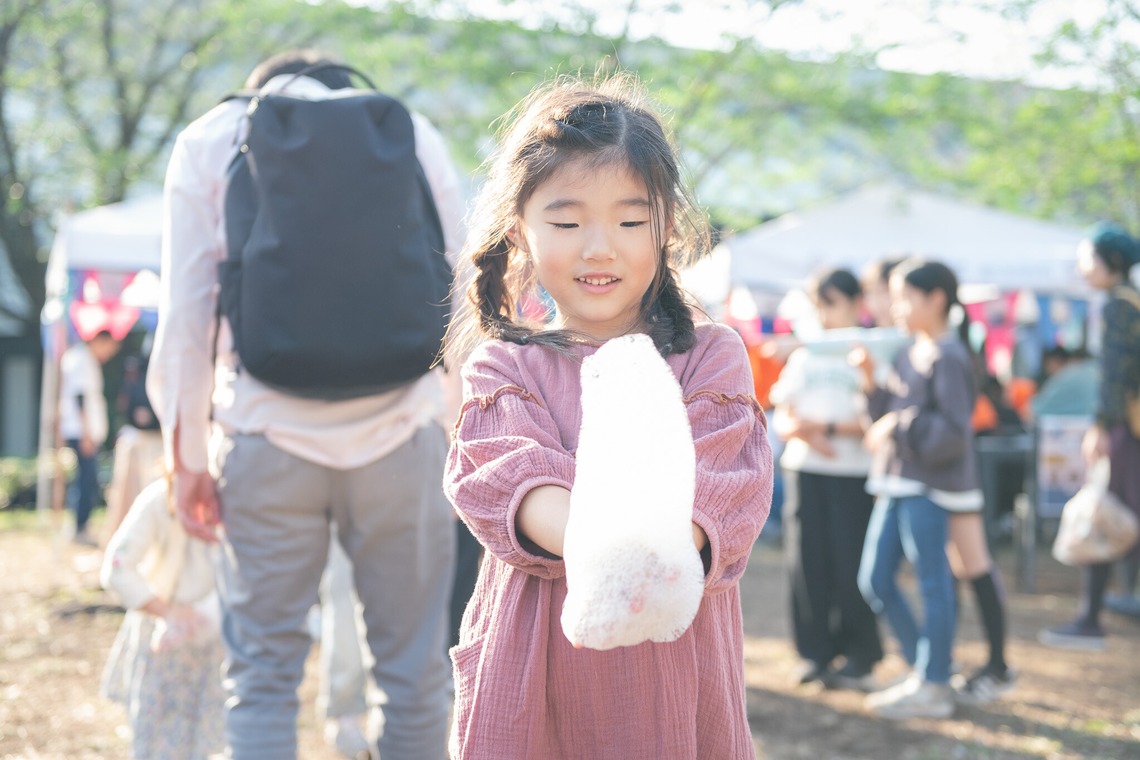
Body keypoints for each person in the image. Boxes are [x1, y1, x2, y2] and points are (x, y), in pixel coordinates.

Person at [147, 49, 466, 759]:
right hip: (403, 436)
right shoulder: (412, 132)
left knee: (262, 676)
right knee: (414, 678)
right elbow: (466, 292)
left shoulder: (211, 138)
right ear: (345, 87)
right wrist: (458, 433)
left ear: (260, 91)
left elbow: (186, 320)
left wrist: (187, 461)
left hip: (265, 440)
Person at [441, 74, 772, 758]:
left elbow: (718, 494)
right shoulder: (504, 369)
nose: (600, 247)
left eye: (629, 221)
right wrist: (616, 547)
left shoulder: (710, 360)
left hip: (670, 680)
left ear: (667, 227)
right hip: (534, 679)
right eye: (567, 223)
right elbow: (516, 483)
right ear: (520, 232)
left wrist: (650, 544)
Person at [863, 256, 1017, 705]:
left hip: (928, 486)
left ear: (935, 299)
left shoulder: (948, 356)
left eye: (903, 298)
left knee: (939, 580)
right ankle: (929, 669)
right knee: (877, 580)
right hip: (899, 482)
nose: (895, 308)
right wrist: (870, 383)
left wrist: (897, 425)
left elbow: (952, 431)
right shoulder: (911, 350)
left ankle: (933, 680)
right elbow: (884, 418)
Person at [769, 268, 883, 691]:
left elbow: (878, 413)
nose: (824, 313)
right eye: (819, 304)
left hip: (853, 472)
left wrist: (825, 429)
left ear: (856, 303)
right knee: (807, 564)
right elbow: (782, 413)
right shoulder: (806, 353)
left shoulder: (868, 350)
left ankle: (859, 653)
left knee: (851, 563)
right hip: (805, 469)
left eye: (832, 303)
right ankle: (814, 653)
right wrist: (809, 434)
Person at [1039, 222, 1140, 648]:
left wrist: (1100, 425)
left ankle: (1090, 618)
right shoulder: (1131, 300)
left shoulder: (1119, 305)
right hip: (1129, 425)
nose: (1082, 269)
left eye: (1087, 259)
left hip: (1126, 428)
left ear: (1109, 261)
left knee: (1103, 514)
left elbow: (1116, 373)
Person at [100, 478, 225, 760]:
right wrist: (167, 612)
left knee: (208, 742)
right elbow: (117, 568)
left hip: (212, 635)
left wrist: (209, 612)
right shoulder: (159, 499)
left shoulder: (236, 501)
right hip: (160, 633)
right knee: (156, 740)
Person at [57, 329, 121, 546]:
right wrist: (86, 434)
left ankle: (79, 526)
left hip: (85, 431)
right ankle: (79, 527)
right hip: (81, 432)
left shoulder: (84, 359)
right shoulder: (80, 359)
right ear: (100, 340)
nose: (109, 354)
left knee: (85, 479)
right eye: (109, 347)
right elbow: (80, 397)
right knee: (87, 480)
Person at [103, 352, 165, 546]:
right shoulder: (135, 374)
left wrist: (153, 418)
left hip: (159, 441)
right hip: (136, 442)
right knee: (127, 497)